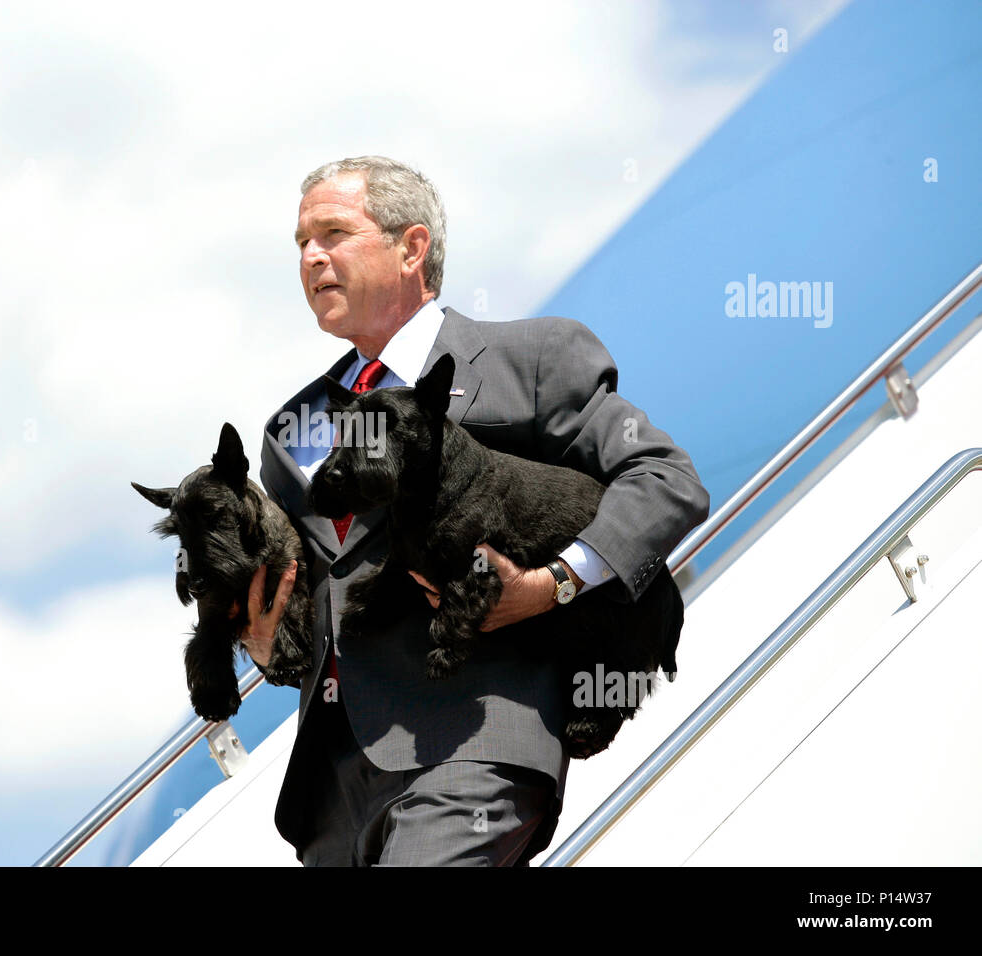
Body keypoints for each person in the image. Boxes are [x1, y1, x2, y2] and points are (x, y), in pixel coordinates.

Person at [237, 155, 709, 866]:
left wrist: (553, 585)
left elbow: (665, 479)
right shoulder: (293, 429)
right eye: (301, 242)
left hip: (472, 748)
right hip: (335, 791)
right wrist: (269, 644)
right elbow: (327, 593)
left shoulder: (533, 358)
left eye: (333, 233)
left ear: (412, 247)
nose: (310, 256)